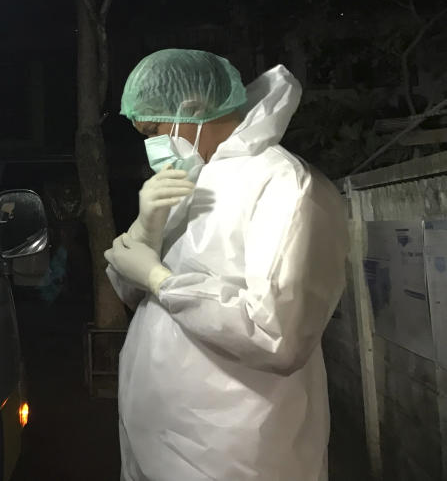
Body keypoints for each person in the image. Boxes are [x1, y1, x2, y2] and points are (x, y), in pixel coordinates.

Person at [104, 49, 348, 481]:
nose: (151, 144)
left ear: (192, 109)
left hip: (236, 456)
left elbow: (277, 334)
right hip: (162, 444)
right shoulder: (195, 181)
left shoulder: (286, 186)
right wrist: (145, 232)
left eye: (154, 128)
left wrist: (162, 279)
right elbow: (135, 293)